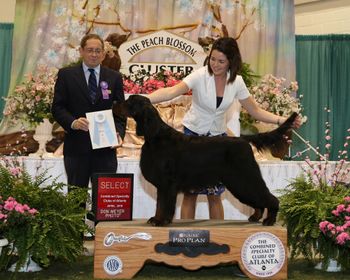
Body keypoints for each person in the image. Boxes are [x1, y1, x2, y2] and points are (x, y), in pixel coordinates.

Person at [147, 37, 302, 220]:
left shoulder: (237, 82)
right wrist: (142, 99)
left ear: (231, 61)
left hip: (217, 139)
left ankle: (218, 237)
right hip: (192, 138)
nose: (215, 64)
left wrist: (282, 121)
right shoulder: (199, 75)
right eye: (213, 59)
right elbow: (170, 92)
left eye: (221, 61)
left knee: (215, 195)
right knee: (190, 193)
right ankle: (185, 237)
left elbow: (255, 111)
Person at [52, 33, 126, 194]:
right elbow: (57, 108)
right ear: (81, 51)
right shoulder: (66, 75)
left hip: (106, 150)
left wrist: (119, 133)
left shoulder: (114, 77)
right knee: (75, 200)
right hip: (76, 148)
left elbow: (120, 113)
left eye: (98, 51)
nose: (94, 54)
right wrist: (73, 122)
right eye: (90, 50)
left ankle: (101, 221)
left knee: (104, 201)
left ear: (104, 54)